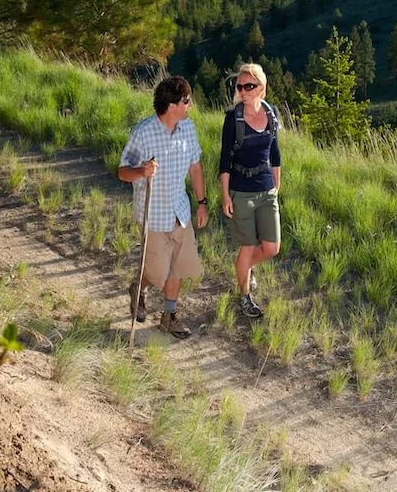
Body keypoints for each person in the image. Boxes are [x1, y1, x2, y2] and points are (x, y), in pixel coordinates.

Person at [118, 76, 209, 339]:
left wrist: (202, 203)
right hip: (153, 214)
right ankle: (139, 286)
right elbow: (122, 172)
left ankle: (169, 316)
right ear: (172, 105)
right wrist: (142, 170)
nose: (189, 105)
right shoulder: (144, 132)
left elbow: (195, 167)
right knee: (157, 272)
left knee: (178, 267)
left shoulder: (188, 128)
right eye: (186, 101)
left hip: (180, 211)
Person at [219, 63, 281, 319]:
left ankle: (246, 268)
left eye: (249, 86)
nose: (243, 91)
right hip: (241, 191)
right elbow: (224, 161)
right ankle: (244, 296)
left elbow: (275, 154)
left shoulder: (272, 113)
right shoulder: (233, 119)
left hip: (266, 189)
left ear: (261, 88)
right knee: (247, 246)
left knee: (272, 247)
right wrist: (225, 196)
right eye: (240, 86)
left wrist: (276, 187)